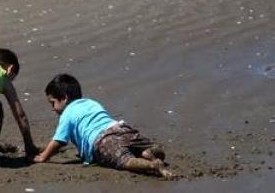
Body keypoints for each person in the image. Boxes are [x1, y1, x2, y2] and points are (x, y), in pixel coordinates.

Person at [33, 74, 174, 179]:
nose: (53, 108)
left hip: (102, 140)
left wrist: (43, 157)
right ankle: (147, 151)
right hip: (121, 128)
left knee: (124, 160)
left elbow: (59, 141)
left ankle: (153, 165)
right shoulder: (91, 102)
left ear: (64, 98)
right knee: (134, 145)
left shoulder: (67, 113)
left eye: (53, 103)